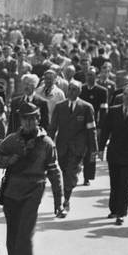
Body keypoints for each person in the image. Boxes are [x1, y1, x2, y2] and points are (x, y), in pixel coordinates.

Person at [0, 101, 63, 255]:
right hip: (12, 191)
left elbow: (54, 172)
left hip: (34, 189)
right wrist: (8, 160)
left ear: (38, 119)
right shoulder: (13, 140)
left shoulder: (47, 144)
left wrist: (59, 201)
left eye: (32, 118)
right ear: (21, 121)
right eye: (25, 119)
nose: (29, 123)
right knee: (13, 232)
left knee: (25, 232)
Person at [98, 84, 128, 224]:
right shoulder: (113, 111)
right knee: (114, 183)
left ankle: (121, 213)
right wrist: (101, 149)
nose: (126, 97)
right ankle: (113, 210)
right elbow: (105, 131)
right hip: (114, 153)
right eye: (125, 94)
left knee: (125, 184)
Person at [48, 79, 97, 215]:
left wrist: (94, 149)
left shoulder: (86, 107)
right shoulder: (60, 106)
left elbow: (91, 130)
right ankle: (63, 197)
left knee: (71, 174)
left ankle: (66, 200)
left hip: (78, 148)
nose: (71, 92)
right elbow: (53, 127)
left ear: (80, 91)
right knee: (63, 173)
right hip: (62, 146)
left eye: (75, 89)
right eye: (69, 89)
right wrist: (47, 143)